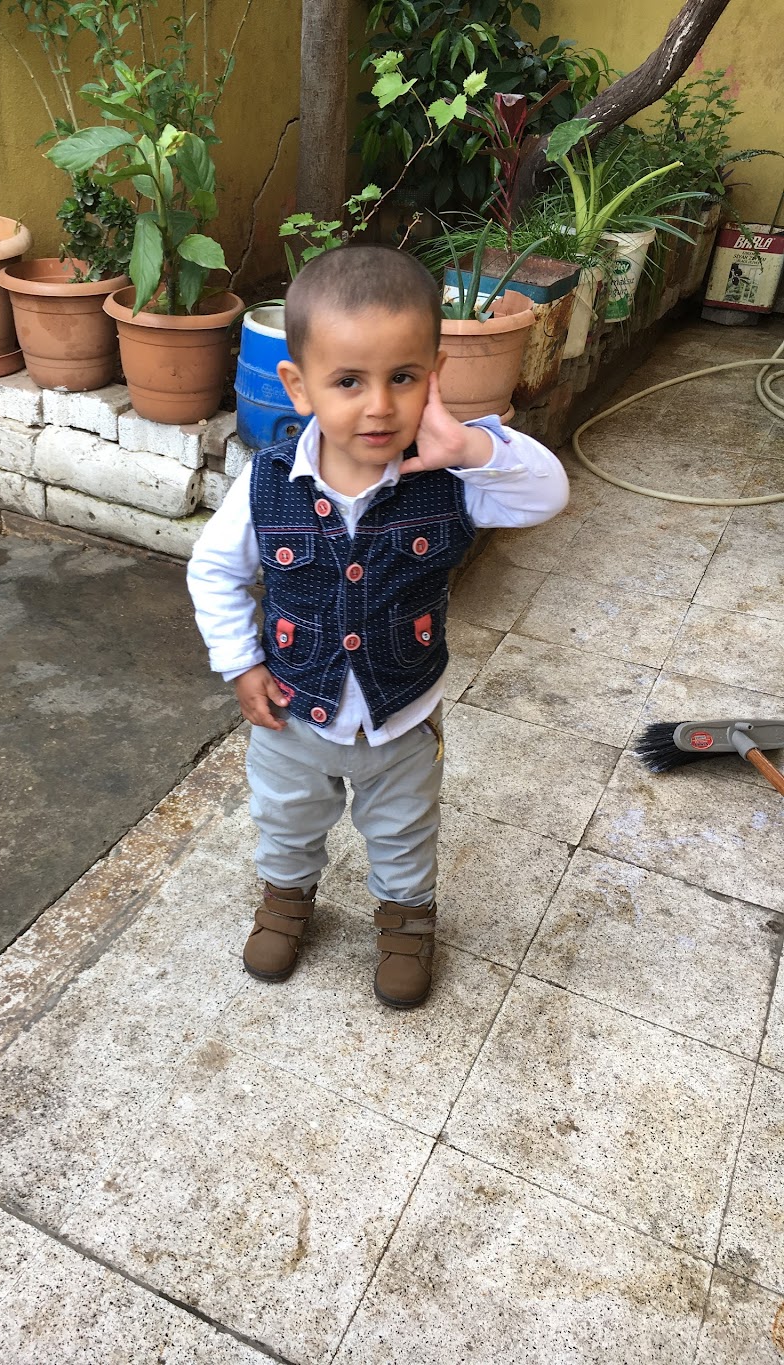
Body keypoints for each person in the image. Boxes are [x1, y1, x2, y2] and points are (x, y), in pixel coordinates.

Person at [187, 244, 568, 1009]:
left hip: (402, 719)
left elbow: (548, 494)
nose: (379, 406)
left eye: (403, 377)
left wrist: (472, 444)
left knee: (404, 830)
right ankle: (286, 900)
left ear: (435, 375)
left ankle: (405, 923)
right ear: (299, 385)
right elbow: (214, 571)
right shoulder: (268, 484)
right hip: (292, 714)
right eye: (348, 381)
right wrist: (240, 663)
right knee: (286, 818)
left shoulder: (451, 477)